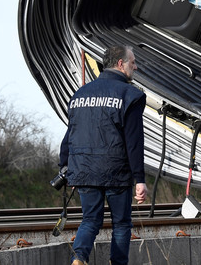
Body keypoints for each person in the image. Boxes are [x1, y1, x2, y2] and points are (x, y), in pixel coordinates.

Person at [59, 45, 148, 265]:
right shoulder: (131, 95)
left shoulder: (80, 94)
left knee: (90, 220)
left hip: (84, 169)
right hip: (116, 170)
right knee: (121, 224)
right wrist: (140, 179)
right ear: (120, 63)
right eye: (132, 62)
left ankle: (79, 258)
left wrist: (65, 167)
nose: (135, 67)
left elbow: (70, 134)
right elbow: (134, 141)